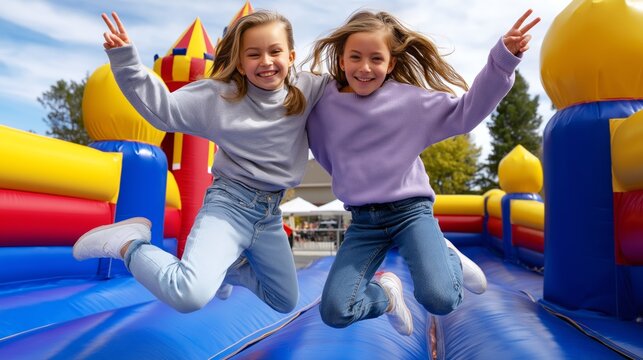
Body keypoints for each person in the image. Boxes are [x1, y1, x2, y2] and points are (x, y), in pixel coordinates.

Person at [73, 11, 328, 313]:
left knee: (284, 300)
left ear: (291, 55)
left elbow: (355, 88)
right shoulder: (221, 97)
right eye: (253, 54)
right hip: (230, 204)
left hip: (269, 214)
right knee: (188, 295)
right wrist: (127, 61)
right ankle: (130, 243)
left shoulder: (307, 90)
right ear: (240, 62)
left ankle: (227, 266)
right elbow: (163, 111)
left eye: (275, 52)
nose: (266, 61)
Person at [306, 9, 540, 335]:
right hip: (363, 221)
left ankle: (450, 260)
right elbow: (322, 151)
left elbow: (466, 112)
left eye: (376, 58)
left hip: (409, 213)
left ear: (390, 64)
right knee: (335, 309)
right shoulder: (324, 105)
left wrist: (502, 60)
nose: (364, 67)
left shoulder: (409, 102)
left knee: (440, 298)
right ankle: (387, 296)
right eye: (355, 57)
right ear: (342, 61)